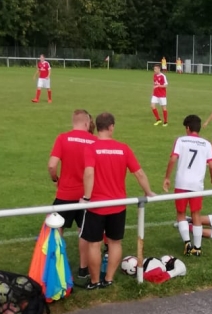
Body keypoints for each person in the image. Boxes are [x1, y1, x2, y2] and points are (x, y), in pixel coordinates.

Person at [80, 112, 154, 288]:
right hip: (118, 206)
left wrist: (86, 198)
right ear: (111, 127)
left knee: (94, 244)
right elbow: (139, 173)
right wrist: (148, 192)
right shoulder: (123, 148)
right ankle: (109, 279)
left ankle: (94, 281)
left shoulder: (91, 148)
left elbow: (89, 173)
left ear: (97, 127)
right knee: (115, 243)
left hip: (97, 206)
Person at [48, 109, 97, 279]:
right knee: (83, 231)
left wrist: (55, 178)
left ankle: (57, 265)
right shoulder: (94, 141)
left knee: (57, 228)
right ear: (87, 123)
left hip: (65, 194)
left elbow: (52, 165)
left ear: (73, 122)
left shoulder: (63, 138)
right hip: (86, 196)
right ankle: (83, 269)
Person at [163, 115, 212, 257]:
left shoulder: (181, 140)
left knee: (181, 213)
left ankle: (187, 243)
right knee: (196, 214)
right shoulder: (206, 144)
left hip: (181, 183)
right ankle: (198, 248)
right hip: (197, 185)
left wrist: (167, 178)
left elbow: (173, 159)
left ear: (187, 128)